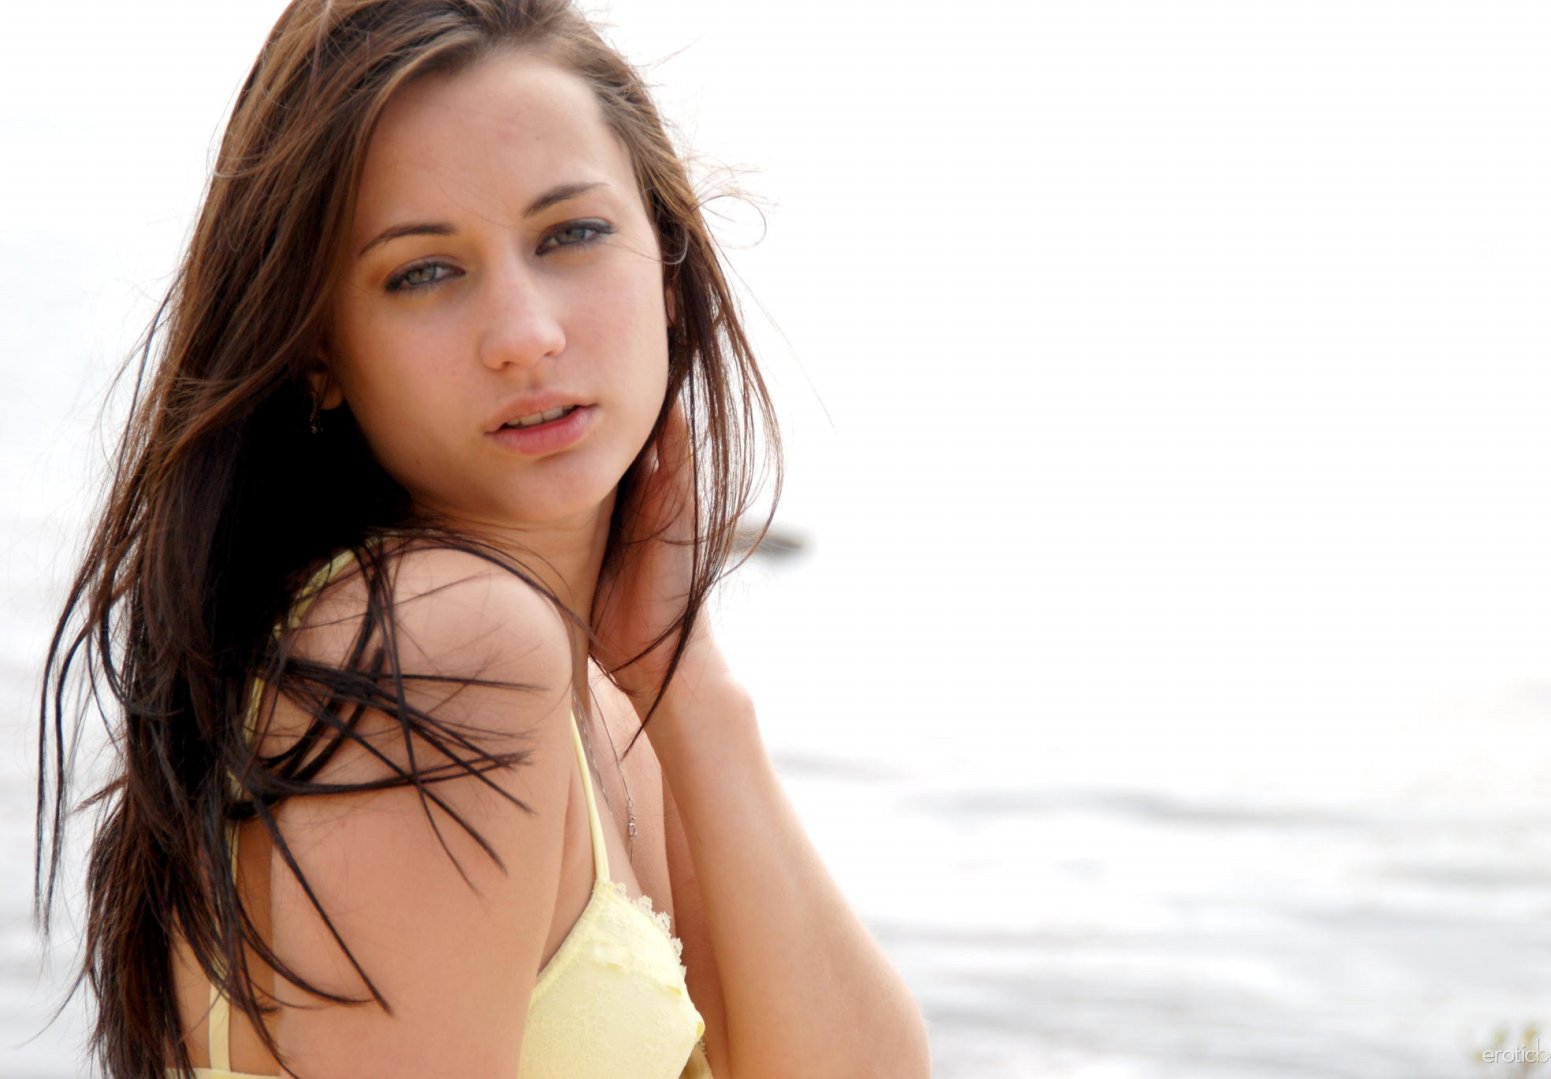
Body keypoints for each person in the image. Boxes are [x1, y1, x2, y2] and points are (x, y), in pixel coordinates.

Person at [32, 1, 931, 1076]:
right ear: (319, 351)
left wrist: (688, 680)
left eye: (571, 234)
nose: (526, 336)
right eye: (423, 271)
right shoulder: (443, 646)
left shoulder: (603, 696)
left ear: (667, 261)